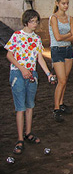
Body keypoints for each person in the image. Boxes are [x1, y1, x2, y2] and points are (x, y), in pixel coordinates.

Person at [5, 9, 53, 154]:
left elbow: (39, 58)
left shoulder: (37, 39)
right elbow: (9, 55)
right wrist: (22, 69)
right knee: (20, 107)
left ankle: (28, 132)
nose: (35, 24)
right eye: (32, 21)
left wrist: (48, 74)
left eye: (37, 21)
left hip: (32, 74)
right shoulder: (17, 36)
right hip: (18, 74)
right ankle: (20, 138)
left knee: (30, 105)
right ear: (26, 21)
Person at [49, 0, 73, 122]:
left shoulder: (70, 18)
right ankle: (56, 109)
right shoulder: (53, 18)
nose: (65, 6)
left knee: (65, 79)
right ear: (57, 3)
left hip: (68, 50)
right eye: (63, 3)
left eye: (67, 3)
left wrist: (65, 36)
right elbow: (58, 37)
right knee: (62, 80)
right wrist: (68, 35)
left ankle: (61, 103)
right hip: (57, 50)